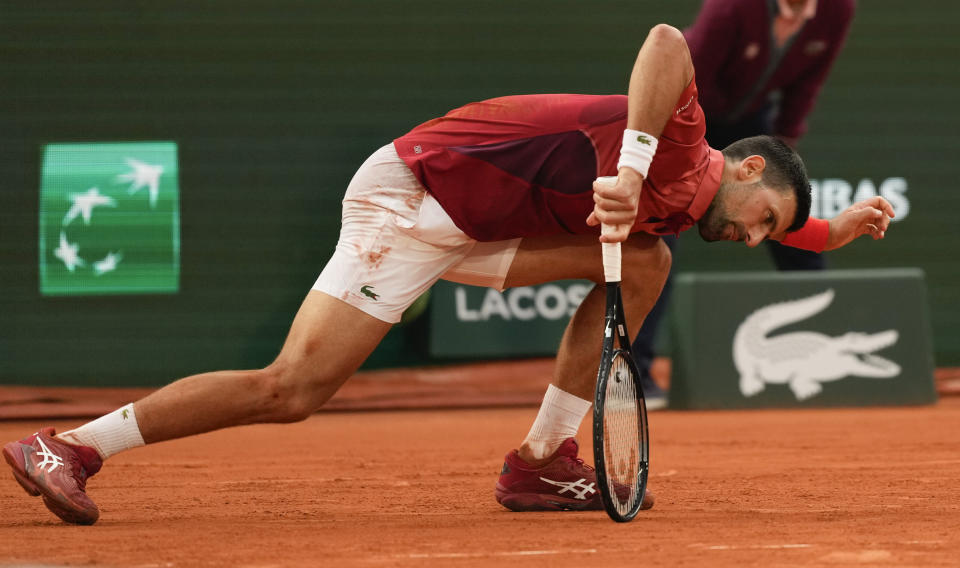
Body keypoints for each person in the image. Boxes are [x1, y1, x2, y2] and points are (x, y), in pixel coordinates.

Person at [3, 24, 892, 525]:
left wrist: (829, 231)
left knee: (648, 260)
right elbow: (666, 42)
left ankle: (542, 462)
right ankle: (72, 446)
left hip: (483, 226)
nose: (755, 239)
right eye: (764, 219)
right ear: (739, 169)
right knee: (292, 389)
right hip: (415, 197)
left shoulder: (692, 212)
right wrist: (628, 167)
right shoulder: (688, 150)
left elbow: (769, 226)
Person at [633, 0, 857, 408]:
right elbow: (690, 72)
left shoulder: (837, 10)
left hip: (753, 123)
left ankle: (832, 360)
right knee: (658, 245)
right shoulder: (733, 7)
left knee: (788, 214)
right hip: (687, 118)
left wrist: (785, 143)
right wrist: (695, 152)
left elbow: (809, 79)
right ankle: (636, 376)